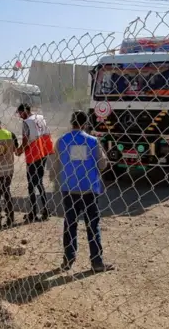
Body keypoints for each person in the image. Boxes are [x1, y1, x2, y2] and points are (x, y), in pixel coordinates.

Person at [54, 111, 114, 272]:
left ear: (71, 122)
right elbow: (102, 165)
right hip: (89, 189)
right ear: (86, 124)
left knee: (70, 224)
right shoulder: (93, 141)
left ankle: (68, 259)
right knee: (92, 226)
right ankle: (96, 262)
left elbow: (57, 162)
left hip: (69, 188)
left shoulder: (61, 141)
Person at [16, 103, 53, 222]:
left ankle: (33, 213)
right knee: (39, 182)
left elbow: (26, 140)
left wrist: (19, 151)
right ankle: (46, 210)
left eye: (21, 113)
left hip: (34, 154)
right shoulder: (40, 117)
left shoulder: (26, 122)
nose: (20, 116)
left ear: (25, 111)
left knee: (31, 184)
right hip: (44, 152)